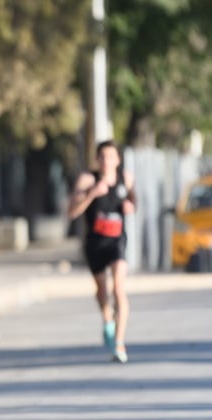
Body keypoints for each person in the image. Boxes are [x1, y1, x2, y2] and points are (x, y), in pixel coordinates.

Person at [68, 140, 136, 363]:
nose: (107, 161)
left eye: (111, 156)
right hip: (95, 242)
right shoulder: (87, 180)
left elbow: (133, 199)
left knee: (118, 288)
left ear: (117, 159)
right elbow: (72, 212)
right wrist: (91, 194)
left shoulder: (126, 178)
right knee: (102, 289)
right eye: (102, 157)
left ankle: (119, 342)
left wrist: (130, 206)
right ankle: (107, 319)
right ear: (97, 160)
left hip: (117, 241)